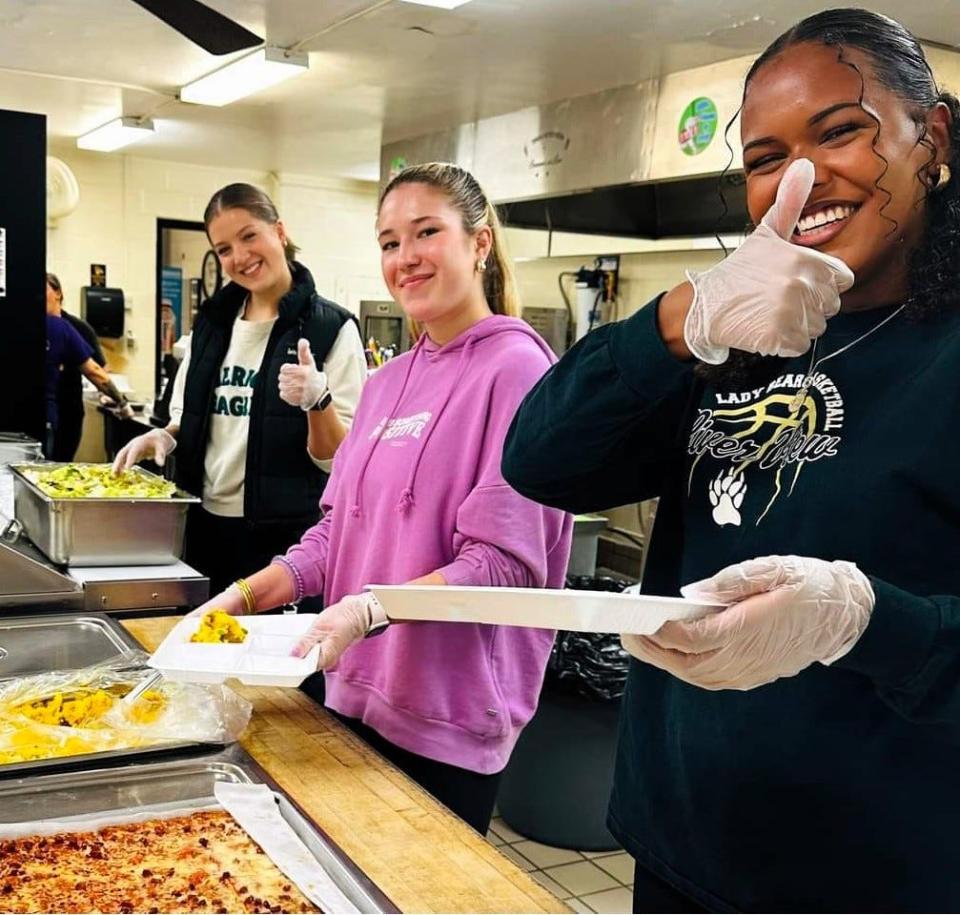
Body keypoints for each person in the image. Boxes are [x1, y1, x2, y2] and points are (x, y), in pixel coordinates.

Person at [503, 9, 960, 912]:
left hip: (880, 878)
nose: (801, 178)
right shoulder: (740, 338)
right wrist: (685, 318)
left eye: (841, 132)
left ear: (934, 138)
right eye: (763, 159)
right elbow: (539, 460)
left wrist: (863, 622)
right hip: (679, 845)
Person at [190, 163, 573, 835]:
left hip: (445, 719)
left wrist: (370, 609)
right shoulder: (390, 379)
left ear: (479, 243)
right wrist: (244, 595)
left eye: (427, 232)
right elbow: (335, 534)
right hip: (349, 689)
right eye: (390, 242)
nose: (406, 257)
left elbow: (506, 564)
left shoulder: (518, 370)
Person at [113, 184, 367, 594]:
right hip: (203, 530)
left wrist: (318, 402)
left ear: (279, 232)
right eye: (224, 249)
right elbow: (187, 418)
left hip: (283, 541)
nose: (240, 257)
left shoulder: (331, 329)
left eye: (249, 236)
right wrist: (165, 436)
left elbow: (341, 460)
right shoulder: (211, 326)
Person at [44, 273, 131, 459]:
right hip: (40, 411)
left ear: (58, 293)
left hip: (69, 411)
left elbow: (98, 371)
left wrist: (117, 399)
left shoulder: (75, 328)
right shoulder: (34, 326)